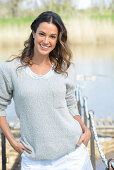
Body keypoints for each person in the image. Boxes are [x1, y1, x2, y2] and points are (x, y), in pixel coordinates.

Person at [0, 11, 93, 170]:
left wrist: (86, 129)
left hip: (73, 155)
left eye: (52, 36)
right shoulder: (10, 69)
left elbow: (71, 105)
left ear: (58, 40)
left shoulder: (65, 68)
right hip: (35, 160)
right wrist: (12, 141)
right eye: (42, 34)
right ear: (33, 34)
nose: (46, 41)